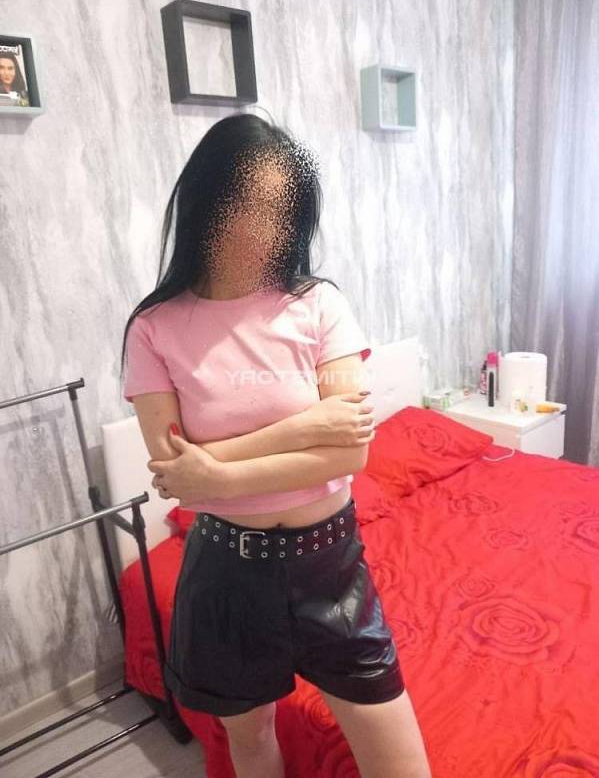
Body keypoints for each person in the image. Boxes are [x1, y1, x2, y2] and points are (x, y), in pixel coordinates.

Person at [121, 113, 432, 778]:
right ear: (207, 204)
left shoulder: (318, 305)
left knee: (401, 763)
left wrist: (219, 471)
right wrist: (301, 430)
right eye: (252, 207)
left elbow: (348, 452)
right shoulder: (154, 327)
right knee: (252, 743)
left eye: (284, 211)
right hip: (227, 575)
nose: (269, 229)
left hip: (331, 567)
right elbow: (178, 475)